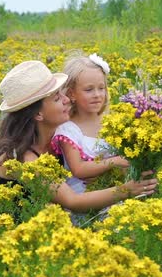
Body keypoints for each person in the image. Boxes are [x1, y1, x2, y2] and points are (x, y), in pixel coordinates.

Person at [0, 60, 156, 217]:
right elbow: (73, 202)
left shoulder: (57, 136)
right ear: (38, 114)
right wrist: (127, 190)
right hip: (13, 238)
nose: (67, 100)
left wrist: (102, 174)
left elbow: (80, 173)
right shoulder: (21, 157)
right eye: (57, 98)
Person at [51, 53, 129, 196]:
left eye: (101, 88)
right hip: (84, 201)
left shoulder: (111, 122)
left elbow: (127, 164)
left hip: (115, 194)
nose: (97, 95)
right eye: (89, 90)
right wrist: (114, 162)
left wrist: (110, 174)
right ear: (71, 94)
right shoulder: (68, 129)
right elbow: (78, 169)